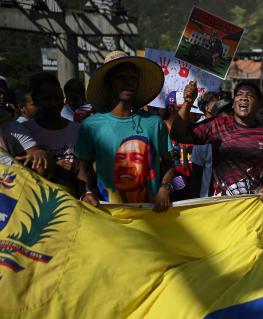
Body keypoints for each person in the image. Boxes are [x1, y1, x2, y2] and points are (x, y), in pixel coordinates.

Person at [75, 50, 173, 211]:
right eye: (121, 77)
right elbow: (83, 168)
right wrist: (86, 192)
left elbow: (169, 162)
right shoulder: (91, 125)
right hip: (108, 216)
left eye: (133, 78)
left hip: (150, 216)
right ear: (108, 83)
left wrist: (165, 187)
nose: (128, 82)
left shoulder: (154, 123)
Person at [171, 80, 263, 200]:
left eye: (250, 95)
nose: (244, 98)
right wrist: (188, 102)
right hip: (220, 208)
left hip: (253, 208)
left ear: (259, 104)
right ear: (234, 103)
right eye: (239, 95)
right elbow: (178, 134)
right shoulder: (216, 125)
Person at [24, 72, 82, 192]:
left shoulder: (79, 130)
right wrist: (54, 166)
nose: (54, 103)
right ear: (35, 100)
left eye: (58, 97)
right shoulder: (24, 132)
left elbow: (87, 169)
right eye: (46, 99)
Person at [190, 98, 232, 198]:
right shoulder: (204, 140)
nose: (228, 116)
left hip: (236, 200)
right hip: (210, 199)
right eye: (224, 112)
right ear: (215, 118)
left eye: (231, 112)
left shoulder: (243, 138)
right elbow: (196, 172)